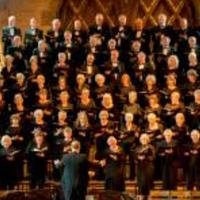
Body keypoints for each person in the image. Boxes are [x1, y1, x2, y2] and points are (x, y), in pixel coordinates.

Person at [134, 134, 155, 200]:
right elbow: (135, 158)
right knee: (141, 182)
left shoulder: (151, 147)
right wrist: (138, 158)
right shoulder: (138, 148)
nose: (144, 140)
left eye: (145, 139)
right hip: (140, 167)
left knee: (148, 182)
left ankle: (149, 196)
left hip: (148, 166)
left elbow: (153, 157)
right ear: (140, 140)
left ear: (148, 140)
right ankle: (141, 196)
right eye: (143, 139)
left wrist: (145, 157)